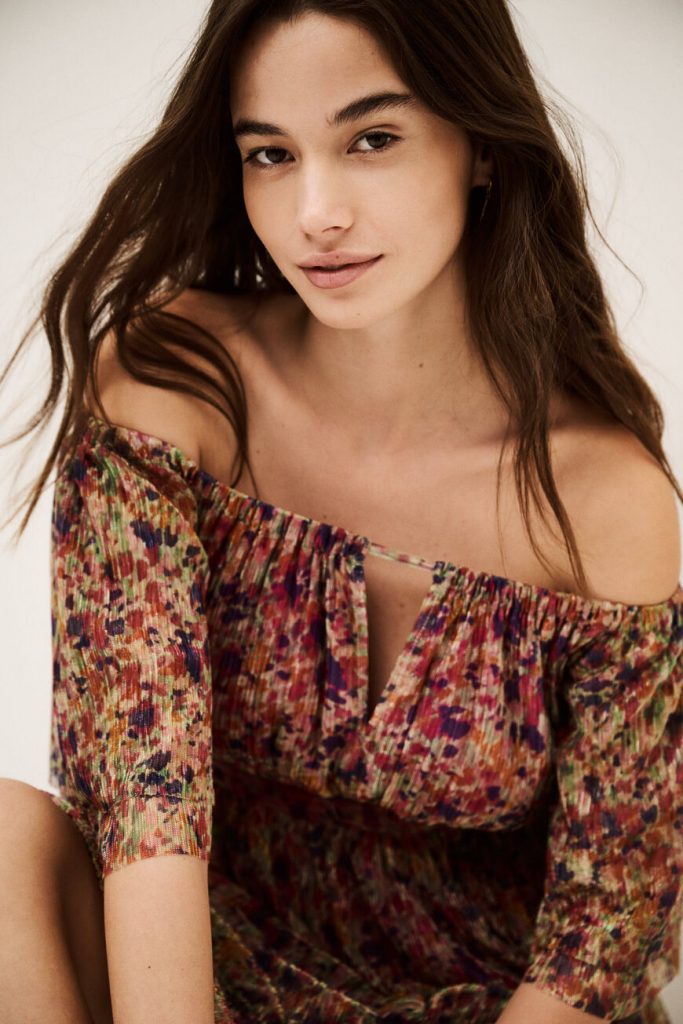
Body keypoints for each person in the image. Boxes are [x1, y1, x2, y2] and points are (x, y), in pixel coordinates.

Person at [0, 1, 681, 1022]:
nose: (314, 213)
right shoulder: (173, 386)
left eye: (371, 139)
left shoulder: (601, 498)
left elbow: (608, 923)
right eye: (270, 154)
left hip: (488, 998)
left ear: (482, 147)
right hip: (189, 974)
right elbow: (144, 793)